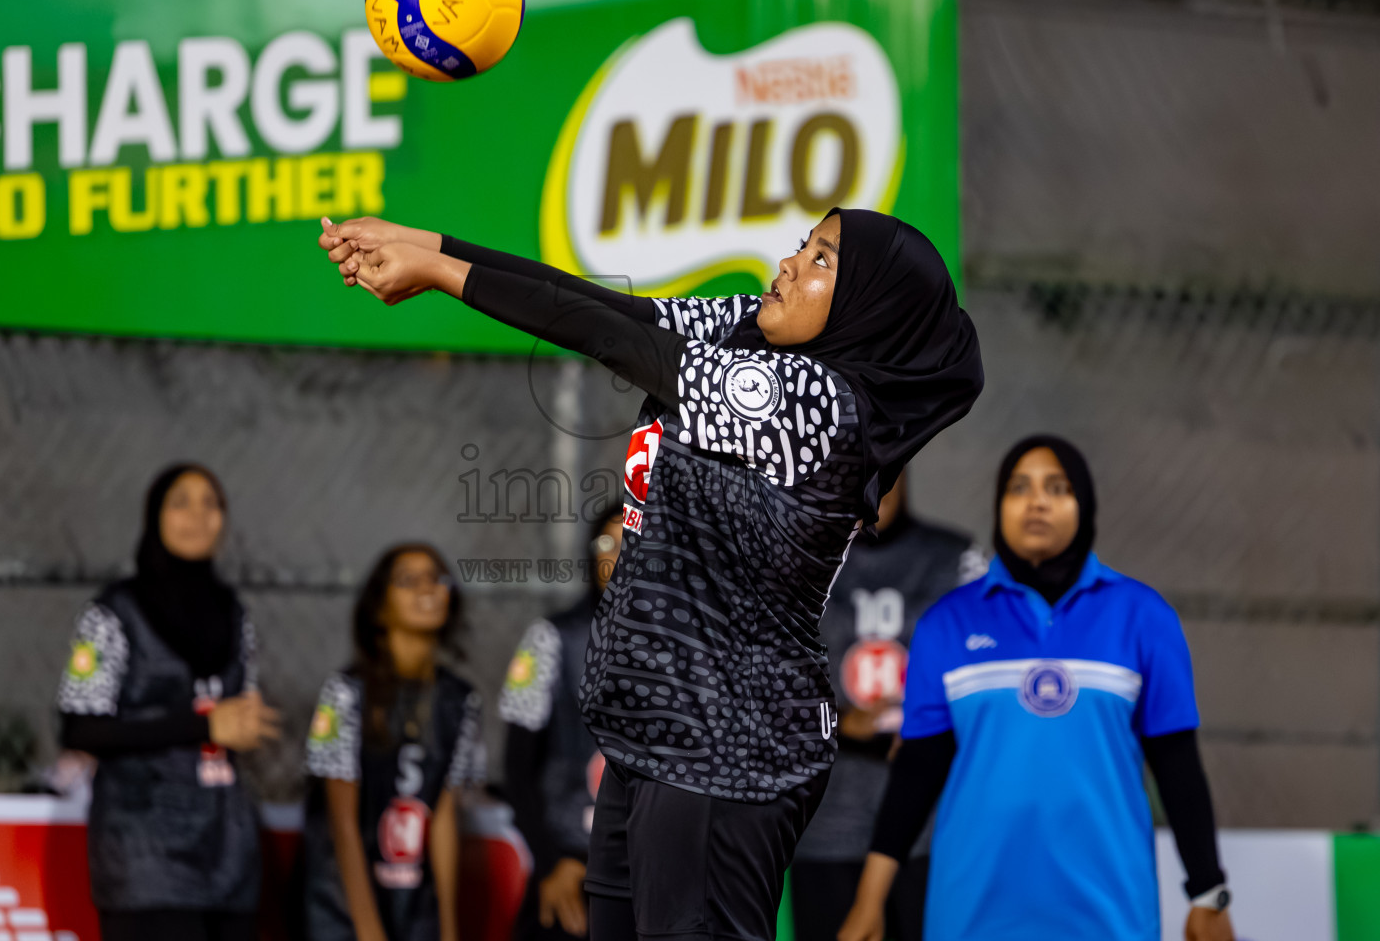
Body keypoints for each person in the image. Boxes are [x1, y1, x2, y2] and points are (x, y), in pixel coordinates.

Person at [315, 209, 982, 941]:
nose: (791, 263)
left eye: (822, 261)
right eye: (803, 245)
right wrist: (428, 244)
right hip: (654, 735)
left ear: (868, 310)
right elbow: (610, 310)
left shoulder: (817, 405)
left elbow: (626, 346)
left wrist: (441, 273)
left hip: (726, 748)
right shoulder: (747, 327)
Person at [838, 436, 1235, 941]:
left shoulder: (1143, 616)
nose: (1037, 501)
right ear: (999, 506)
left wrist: (1209, 894)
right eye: (1018, 488)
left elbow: (1178, 767)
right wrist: (870, 899)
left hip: (1112, 913)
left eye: (1057, 487)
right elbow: (918, 771)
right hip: (973, 913)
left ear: (1084, 503)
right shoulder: (947, 624)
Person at [57, 464, 282, 941]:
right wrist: (203, 727)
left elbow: (235, 719)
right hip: (146, 854)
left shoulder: (234, 614)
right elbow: (79, 728)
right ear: (154, 517)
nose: (198, 515)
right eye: (181, 502)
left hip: (228, 851)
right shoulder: (115, 612)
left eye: (211, 504)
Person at [789, 470, 983, 941]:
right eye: (858, 469)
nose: (876, 487)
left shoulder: (956, 557)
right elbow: (759, 685)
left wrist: (941, 723)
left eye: (888, 470)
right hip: (826, 821)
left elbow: (994, 668)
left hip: (931, 825)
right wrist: (834, 722)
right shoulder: (796, 557)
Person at [304, 543, 483, 941]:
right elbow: (342, 825)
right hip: (342, 910)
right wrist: (369, 930)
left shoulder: (460, 700)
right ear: (379, 608)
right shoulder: (344, 694)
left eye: (436, 578)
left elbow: (444, 815)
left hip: (417, 910)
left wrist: (449, 929)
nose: (427, 588)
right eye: (408, 580)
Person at [500, 505, 626, 941]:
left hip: (651, 863)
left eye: (635, 541)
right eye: (608, 544)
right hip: (569, 858)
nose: (620, 556)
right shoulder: (550, 638)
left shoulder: (687, 646)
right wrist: (551, 863)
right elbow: (517, 766)